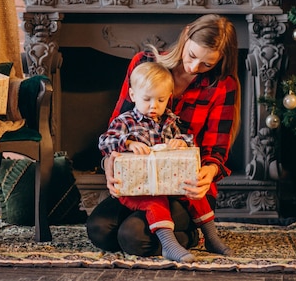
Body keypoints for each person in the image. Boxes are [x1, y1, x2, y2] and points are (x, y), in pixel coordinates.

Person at [87, 14, 241, 258]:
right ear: (186, 34)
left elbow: (216, 152)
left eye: (207, 64)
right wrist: (110, 162)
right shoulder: (145, 64)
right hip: (140, 183)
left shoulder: (222, 85)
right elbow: (117, 127)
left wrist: (207, 172)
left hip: (186, 189)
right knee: (100, 231)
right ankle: (174, 236)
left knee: (133, 236)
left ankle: (193, 236)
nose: (193, 68)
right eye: (191, 56)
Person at [98, 61, 232, 262]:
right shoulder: (125, 122)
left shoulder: (169, 121)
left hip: (166, 184)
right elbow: (104, 141)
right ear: (133, 96)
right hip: (135, 188)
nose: (154, 106)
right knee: (155, 203)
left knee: (194, 195)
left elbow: (187, 139)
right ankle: (169, 245)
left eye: (160, 100)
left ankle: (211, 237)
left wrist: (181, 143)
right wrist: (128, 143)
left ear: (168, 98)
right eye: (147, 99)